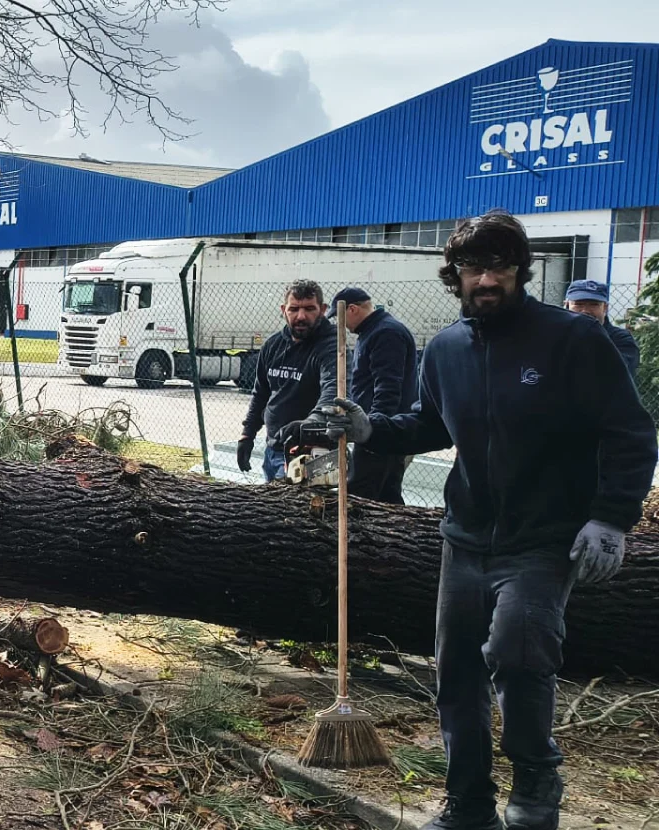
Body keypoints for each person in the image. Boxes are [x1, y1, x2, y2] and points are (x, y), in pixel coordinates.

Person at [281, 210, 657, 830]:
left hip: (545, 536)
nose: (488, 279)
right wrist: (371, 427)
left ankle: (536, 786)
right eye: (474, 268)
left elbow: (631, 432)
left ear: (520, 271)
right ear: (453, 275)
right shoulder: (448, 349)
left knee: (518, 653)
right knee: (455, 673)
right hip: (465, 535)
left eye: (501, 267)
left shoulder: (572, 341)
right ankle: (468, 803)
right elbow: (429, 424)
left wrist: (611, 518)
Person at [235, 280, 339, 482]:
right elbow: (261, 393)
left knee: (303, 511)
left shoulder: (332, 347)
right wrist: (247, 434)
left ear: (323, 310)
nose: (301, 316)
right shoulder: (273, 345)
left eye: (310, 309)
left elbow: (334, 387)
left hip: (315, 452)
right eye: (294, 309)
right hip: (274, 449)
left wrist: (313, 422)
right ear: (284, 310)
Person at [330, 286, 417, 503]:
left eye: (339, 317)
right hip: (377, 429)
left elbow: (387, 388)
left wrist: (375, 429)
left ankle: (368, 536)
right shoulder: (373, 331)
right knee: (385, 494)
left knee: (362, 495)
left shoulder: (385, 333)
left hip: (382, 432)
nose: (340, 324)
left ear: (352, 309)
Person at [564, 280, 639, 376]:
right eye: (579, 304)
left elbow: (618, 373)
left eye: (594, 304)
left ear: (605, 308)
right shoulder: (556, 335)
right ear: (566, 306)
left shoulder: (621, 339)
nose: (585, 310)